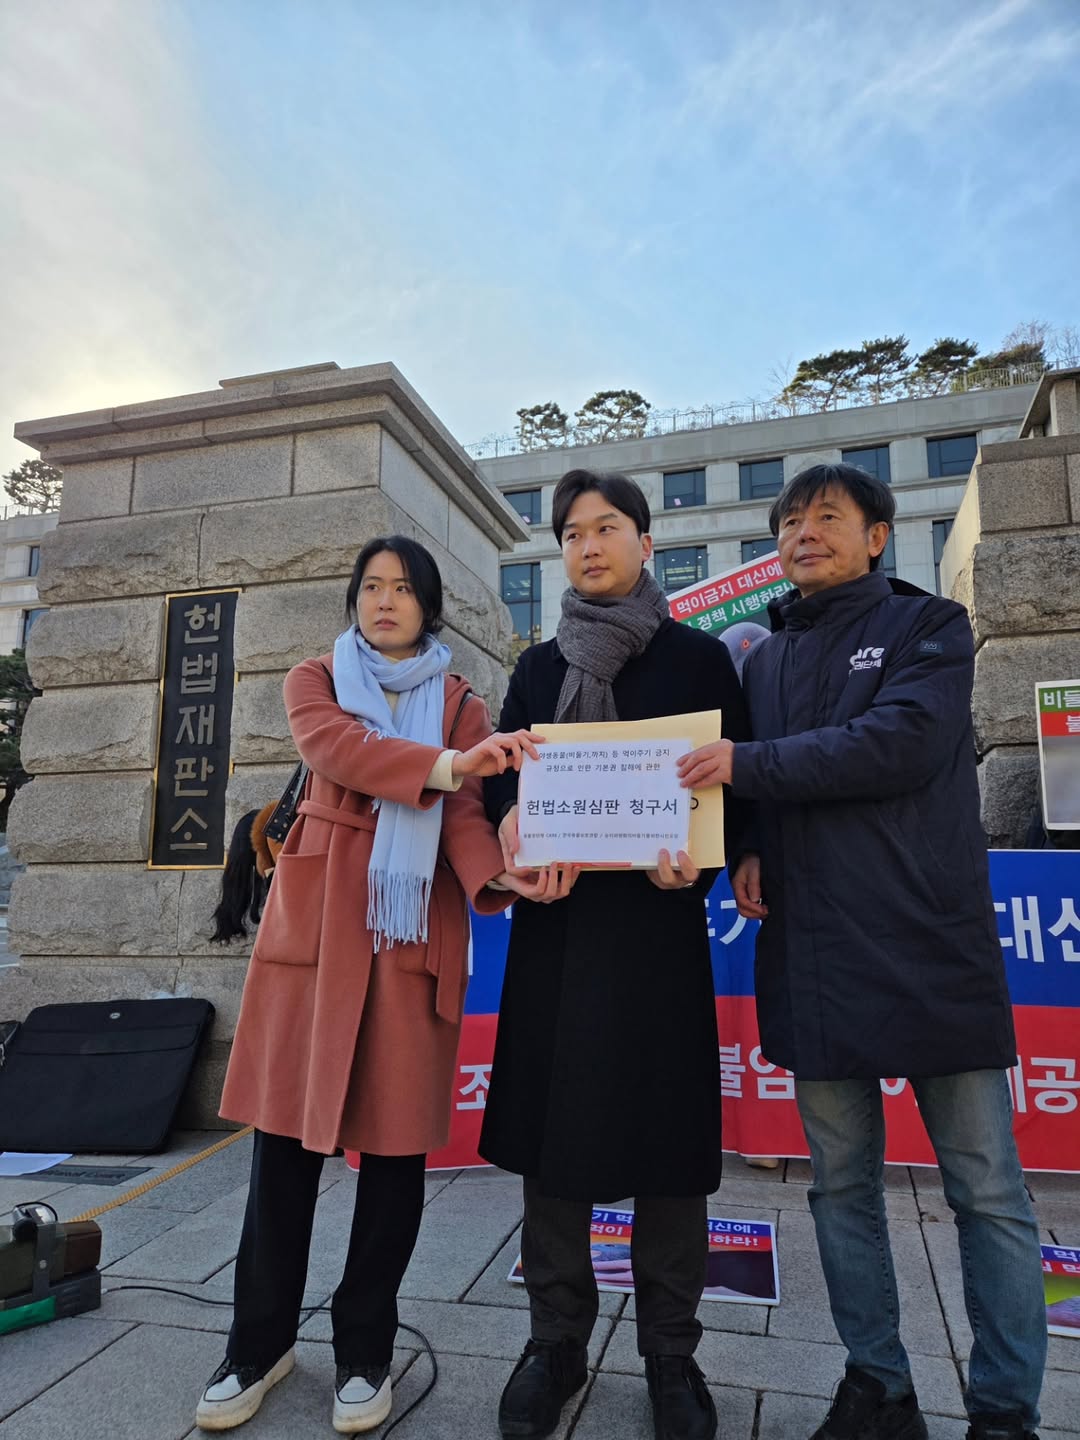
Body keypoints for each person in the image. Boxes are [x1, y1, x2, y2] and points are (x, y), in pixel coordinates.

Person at [677, 464, 1047, 1440]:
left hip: (930, 945)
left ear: (878, 535)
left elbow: (899, 743)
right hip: (813, 951)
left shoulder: (929, 627)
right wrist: (747, 843)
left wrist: (748, 767)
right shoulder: (762, 661)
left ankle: (1004, 1411)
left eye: (827, 516)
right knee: (841, 1188)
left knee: (986, 1191)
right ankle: (877, 1385)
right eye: (789, 520)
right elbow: (754, 794)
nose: (803, 532)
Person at [196, 535, 569, 1435]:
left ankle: (365, 1350)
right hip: (320, 931)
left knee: (395, 1159)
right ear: (354, 599)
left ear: (429, 605)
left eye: (404, 588)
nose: (386, 600)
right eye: (371, 586)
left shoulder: (461, 703)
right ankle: (257, 1345)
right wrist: (448, 766)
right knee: (283, 1153)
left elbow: (469, 816)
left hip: (409, 934)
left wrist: (501, 874)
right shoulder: (316, 678)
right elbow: (339, 751)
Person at [481, 469, 750, 1440]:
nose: (588, 546)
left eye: (606, 527)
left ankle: (672, 1354)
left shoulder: (700, 661)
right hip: (557, 940)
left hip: (658, 940)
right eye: (571, 534)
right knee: (554, 1150)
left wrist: (702, 863)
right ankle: (555, 1342)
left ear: (645, 540)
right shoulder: (537, 667)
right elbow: (498, 785)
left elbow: (734, 788)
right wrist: (511, 835)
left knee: (668, 1152)